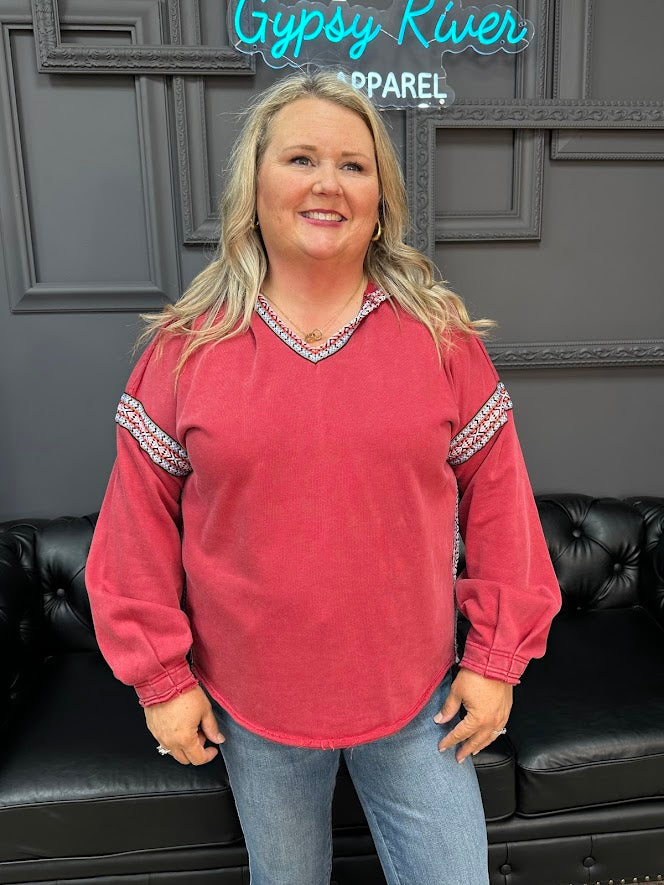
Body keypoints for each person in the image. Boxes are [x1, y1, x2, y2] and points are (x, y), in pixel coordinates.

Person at [85, 69, 562, 885]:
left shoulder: (441, 340)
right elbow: (136, 526)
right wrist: (160, 678)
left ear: (380, 197)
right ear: (255, 183)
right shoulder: (184, 350)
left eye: (353, 164)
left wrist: (494, 660)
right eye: (301, 158)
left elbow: (501, 504)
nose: (327, 183)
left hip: (418, 696)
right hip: (251, 705)